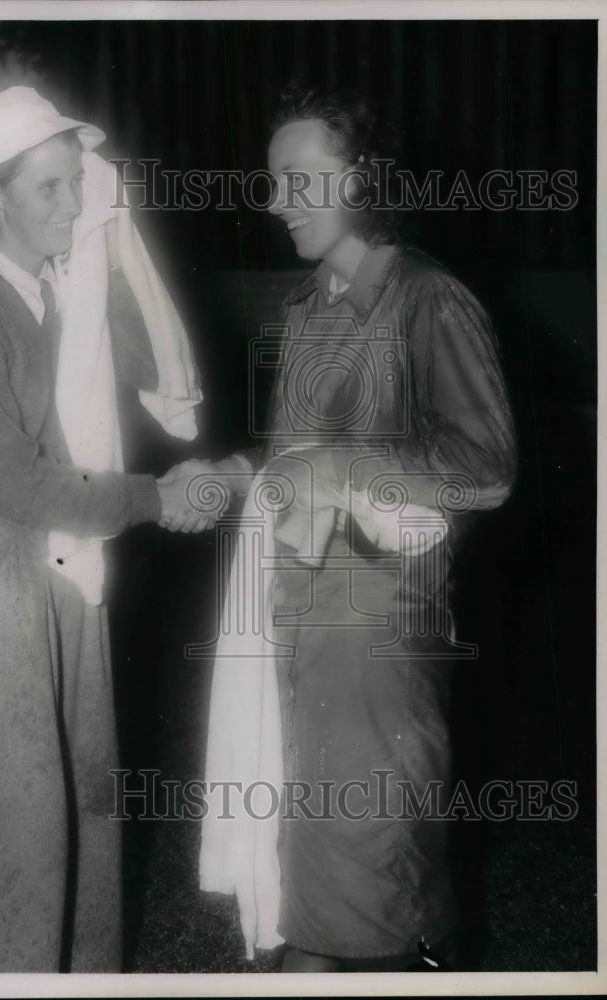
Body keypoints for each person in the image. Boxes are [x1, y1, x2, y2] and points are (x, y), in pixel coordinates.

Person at [195, 83, 518, 971]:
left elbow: (486, 465)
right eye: (271, 183)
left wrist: (343, 470)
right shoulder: (307, 309)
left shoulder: (427, 302)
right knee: (324, 894)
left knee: (372, 898)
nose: (277, 202)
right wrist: (247, 476)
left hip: (377, 648)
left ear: (365, 181)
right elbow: (305, 470)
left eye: (301, 179)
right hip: (301, 637)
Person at [0, 86, 212, 972]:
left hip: (66, 564)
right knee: (8, 820)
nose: (72, 205)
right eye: (47, 188)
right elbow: (18, 483)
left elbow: (151, 355)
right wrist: (159, 496)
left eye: (76, 182)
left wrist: (106, 246)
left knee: (85, 797)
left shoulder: (56, 292)